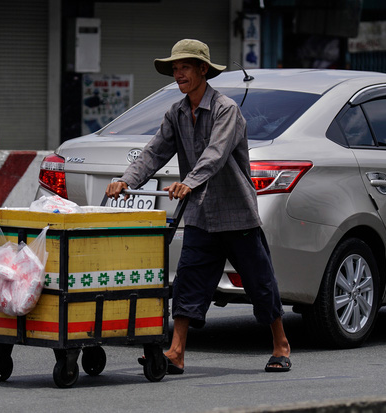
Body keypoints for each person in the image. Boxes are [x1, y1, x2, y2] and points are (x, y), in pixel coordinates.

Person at [105, 39, 291, 373]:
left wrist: (188, 182)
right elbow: (153, 152)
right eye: (175, 69)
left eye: (184, 67)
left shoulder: (225, 110)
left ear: (203, 70)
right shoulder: (176, 113)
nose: (178, 74)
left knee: (259, 282)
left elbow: (216, 154)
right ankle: (176, 352)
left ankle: (280, 343)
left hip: (236, 214)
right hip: (200, 215)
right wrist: (126, 180)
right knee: (189, 281)